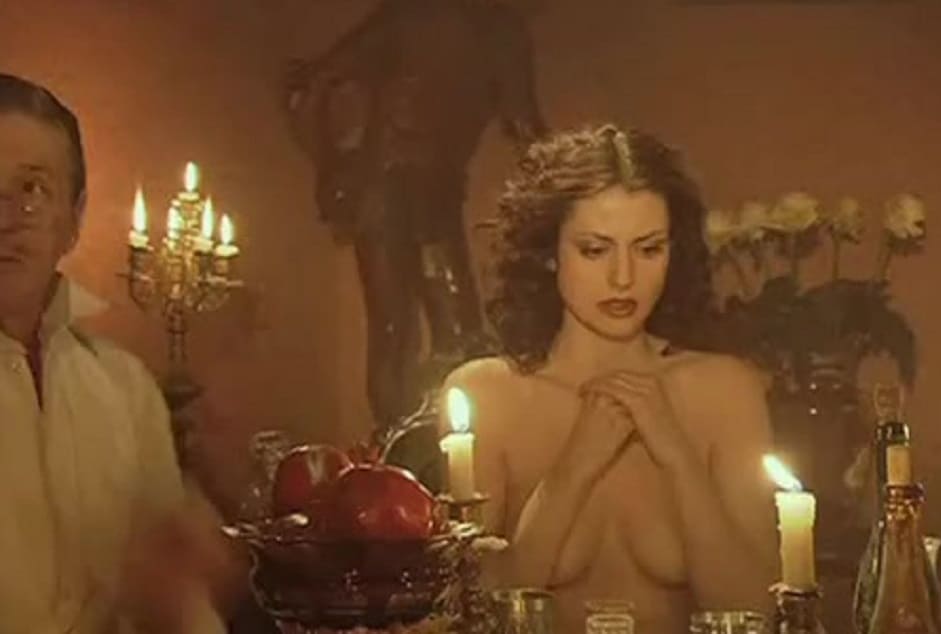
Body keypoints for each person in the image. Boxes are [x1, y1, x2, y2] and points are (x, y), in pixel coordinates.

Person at [441, 124, 778, 633]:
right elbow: (471, 617)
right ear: (549, 251)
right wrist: (574, 467)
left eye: (648, 249)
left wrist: (677, 455)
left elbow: (760, 613)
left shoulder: (725, 390)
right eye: (595, 250)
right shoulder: (486, 396)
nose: (623, 278)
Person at [0, 73, 231, 633]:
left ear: (73, 220)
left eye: (31, 189)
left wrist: (181, 586)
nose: (3, 218)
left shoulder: (126, 388)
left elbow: (174, 604)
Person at [283, 0, 546, 427]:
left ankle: (429, 445)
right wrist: (331, 168)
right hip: (388, 185)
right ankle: (400, 446)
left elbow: (525, 127)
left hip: (425, 190)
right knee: (410, 330)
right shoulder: (434, 18)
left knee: (442, 333)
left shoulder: (497, 31)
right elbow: (313, 82)